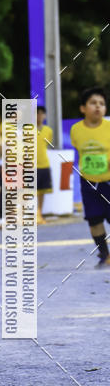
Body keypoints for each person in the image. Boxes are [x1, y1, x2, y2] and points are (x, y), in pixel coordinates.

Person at [70, 86, 110, 268]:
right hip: (88, 183)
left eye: (101, 104)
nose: (98, 107)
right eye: (93, 103)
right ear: (83, 108)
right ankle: (104, 255)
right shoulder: (76, 130)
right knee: (94, 220)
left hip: (109, 181)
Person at [36, 105, 54, 224]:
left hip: (44, 164)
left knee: (42, 191)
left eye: (42, 113)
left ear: (45, 115)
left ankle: (39, 214)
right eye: (37, 113)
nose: (39, 115)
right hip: (30, 164)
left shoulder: (48, 130)